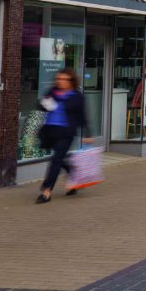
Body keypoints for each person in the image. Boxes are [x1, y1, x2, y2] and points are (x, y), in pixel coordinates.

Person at [36, 68, 91, 203]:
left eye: (63, 79)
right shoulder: (52, 91)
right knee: (59, 158)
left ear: (71, 81)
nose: (59, 82)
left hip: (66, 133)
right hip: (50, 131)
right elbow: (41, 106)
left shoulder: (77, 96)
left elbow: (82, 116)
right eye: (58, 79)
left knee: (56, 160)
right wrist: (44, 103)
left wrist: (88, 133)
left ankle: (46, 191)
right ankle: (74, 175)